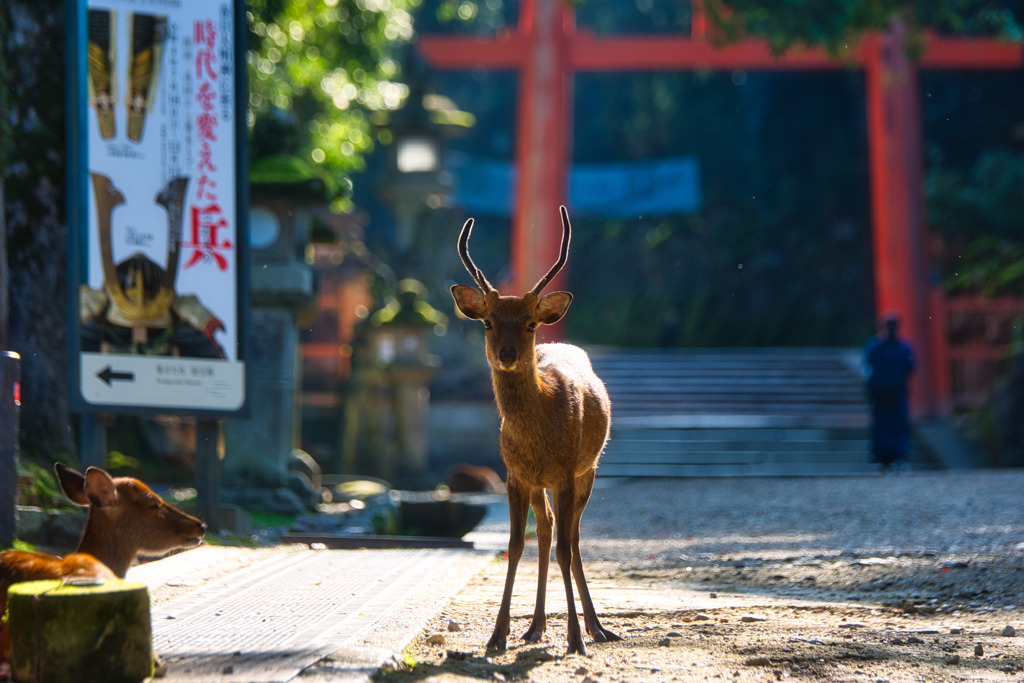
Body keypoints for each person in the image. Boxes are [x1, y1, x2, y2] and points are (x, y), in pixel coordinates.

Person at [864, 313, 915, 473]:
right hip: (896, 392)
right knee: (896, 425)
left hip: (880, 392)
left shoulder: (874, 346)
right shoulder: (904, 347)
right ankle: (897, 456)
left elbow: (867, 367)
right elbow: (911, 369)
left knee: (883, 424)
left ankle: (883, 456)